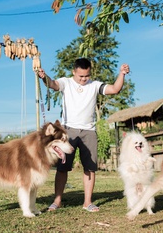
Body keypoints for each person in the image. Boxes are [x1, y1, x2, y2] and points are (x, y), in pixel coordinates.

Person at [37, 58, 130, 212]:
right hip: (68, 131)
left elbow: (114, 89)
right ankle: (57, 201)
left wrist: (122, 74)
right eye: (80, 76)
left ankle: (87, 202)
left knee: (90, 168)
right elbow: (52, 84)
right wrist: (44, 77)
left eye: (86, 76)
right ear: (74, 72)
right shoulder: (66, 82)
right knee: (62, 167)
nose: (83, 79)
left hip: (89, 131)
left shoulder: (95, 85)